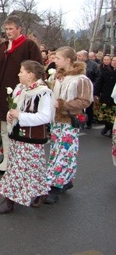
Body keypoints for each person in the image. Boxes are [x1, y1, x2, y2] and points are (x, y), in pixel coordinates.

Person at [0, 15, 42, 175]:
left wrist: (32, 89)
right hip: (3, 94)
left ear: (19, 29)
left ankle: (20, 161)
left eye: (11, 29)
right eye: (6, 29)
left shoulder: (29, 46)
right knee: (4, 128)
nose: (8, 32)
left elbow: (38, 69)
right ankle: (7, 161)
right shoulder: (2, 48)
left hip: (23, 95)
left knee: (18, 128)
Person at [0, 60, 53, 214]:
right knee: (34, 167)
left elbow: (46, 116)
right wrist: (11, 115)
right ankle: (42, 192)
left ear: (30, 75)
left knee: (16, 170)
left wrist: (21, 116)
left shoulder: (43, 92)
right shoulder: (21, 89)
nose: (19, 74)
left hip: (32, 138)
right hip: (18, 135)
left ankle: (9, 201)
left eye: (21, 71)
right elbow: (14, 108)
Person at [45, 46, 92, 204]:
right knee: (56, 152)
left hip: (69, 121)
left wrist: (64, 104)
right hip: (56, 121)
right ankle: (66, 180)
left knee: (64, 154)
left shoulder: (81, 80)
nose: (55, 61)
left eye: (58, 58)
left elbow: (85, 101)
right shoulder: (57, 77)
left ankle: (55, 187)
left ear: (68, 60)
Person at [77, 50, 100, 129]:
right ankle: (80, 121)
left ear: (85, 56)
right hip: (79, 87)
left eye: (79, 56)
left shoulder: (94, 65)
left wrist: (93, 86)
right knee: (79, 105)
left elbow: (98, 77)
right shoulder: (76, 64)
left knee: (88, 106)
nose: (78, 57)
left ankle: (89, 122)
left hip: (89, 88)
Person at [94, 55, 116, 136]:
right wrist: (96, 93)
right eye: (113, 60)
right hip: (106, 95)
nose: (114, 62)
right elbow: (100, 82)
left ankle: (111, 129)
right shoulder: (105, 70)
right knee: (105, 114)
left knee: (113, 115)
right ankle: (107, 126)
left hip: (114, 97)